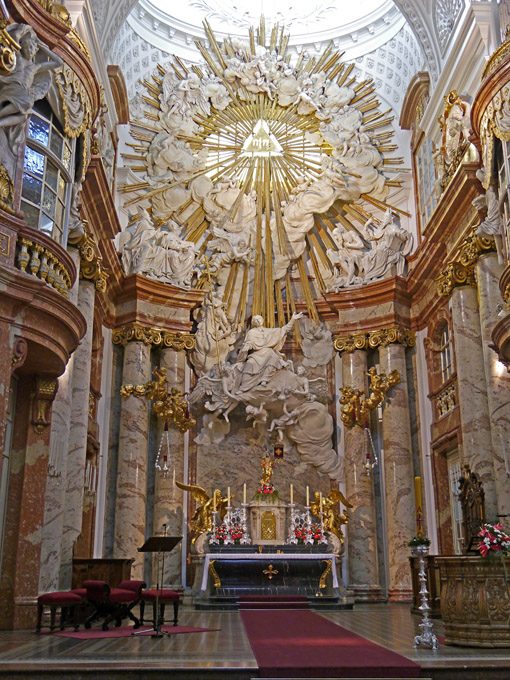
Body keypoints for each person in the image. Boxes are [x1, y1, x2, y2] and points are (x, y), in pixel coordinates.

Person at [0, 24, 63, 153]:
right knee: (27, 104)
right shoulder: (17, 56)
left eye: (32, 48)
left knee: (24, 115)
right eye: (28, 46)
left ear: (35, 52)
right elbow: (16, 36)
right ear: (22, 47)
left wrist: (42, 47)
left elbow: (59, 63)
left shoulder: (35, 67)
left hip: (20, 91)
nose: (30, 50)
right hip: (11, 86)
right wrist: (25, 29)